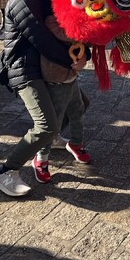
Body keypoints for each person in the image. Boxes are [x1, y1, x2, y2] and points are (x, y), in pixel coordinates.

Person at [0, 0, 88, 197]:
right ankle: (6, 172)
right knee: (45, 125)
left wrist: (84, 53)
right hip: (24, 68)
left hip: (46, 65)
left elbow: (64, 26)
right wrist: (72, 62)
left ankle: (52, 138)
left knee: (81, 103)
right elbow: (42, 38)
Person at [38, 12, 91, 176]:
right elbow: (63, 34)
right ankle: (41, 158)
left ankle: (77, 143)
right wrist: (84, 29)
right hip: (56, 78)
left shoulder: (74, 15)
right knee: (54, 120)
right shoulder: (50, 19)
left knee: (78, 110)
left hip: (70, 77)